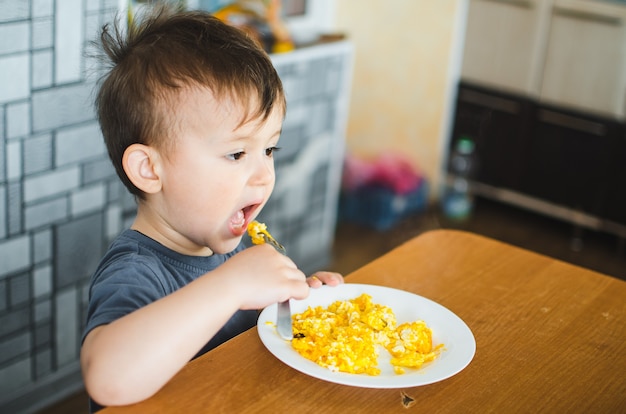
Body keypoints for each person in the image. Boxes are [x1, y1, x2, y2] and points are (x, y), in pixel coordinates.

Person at [80, 5, 343, 410]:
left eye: (269, 149)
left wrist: (302, 308)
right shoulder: (136, 271)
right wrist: (233, 285)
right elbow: (108, 380)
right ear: (150, 169)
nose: (264, 176)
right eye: (237, 154)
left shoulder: (236, 249)